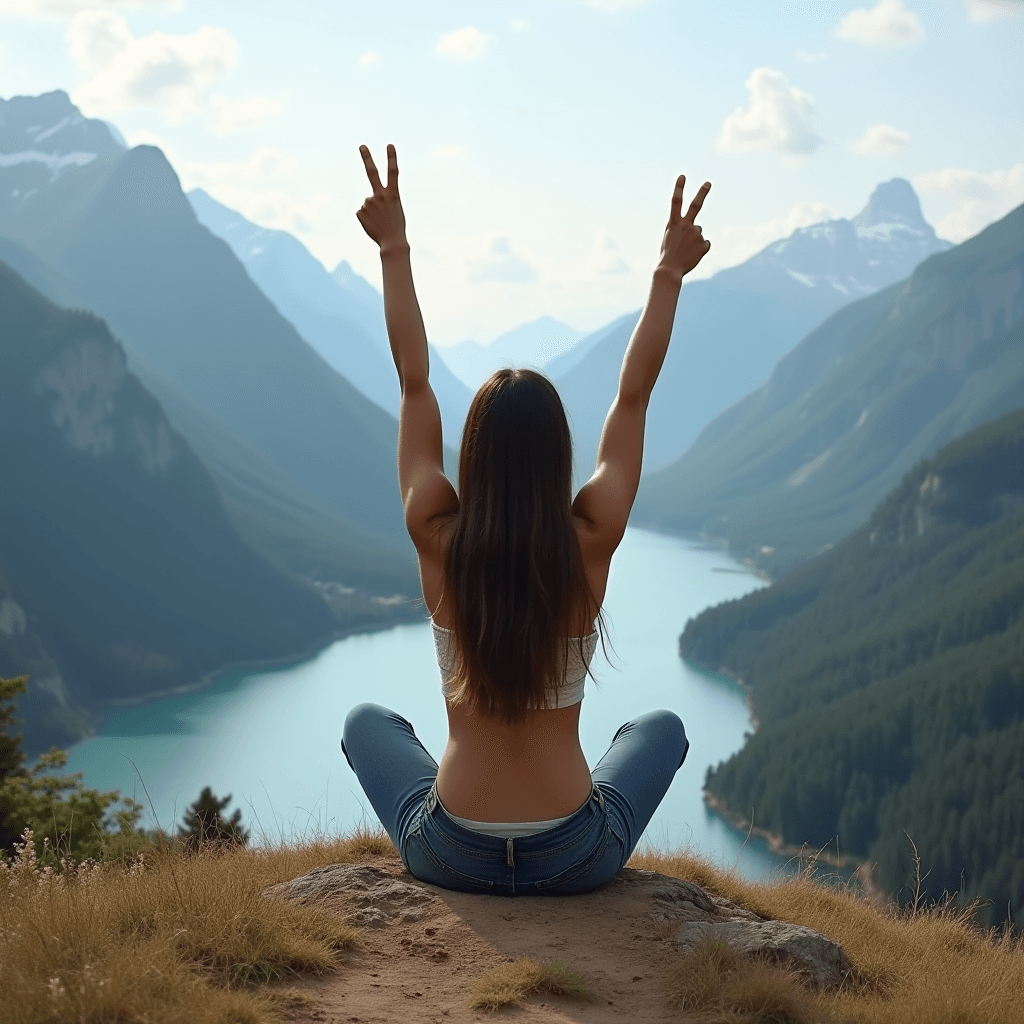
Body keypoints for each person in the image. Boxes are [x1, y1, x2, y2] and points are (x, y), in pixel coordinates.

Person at [342, 143, 712, 895]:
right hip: (572, 853)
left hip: (452, 851)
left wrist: (394, 247)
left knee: (365, 722)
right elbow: (633, 399)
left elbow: (414, 384)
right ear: (556, 457)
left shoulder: (435, 532)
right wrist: (668, 275)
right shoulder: (589, 540)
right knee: (661, 730)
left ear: (473, 455)